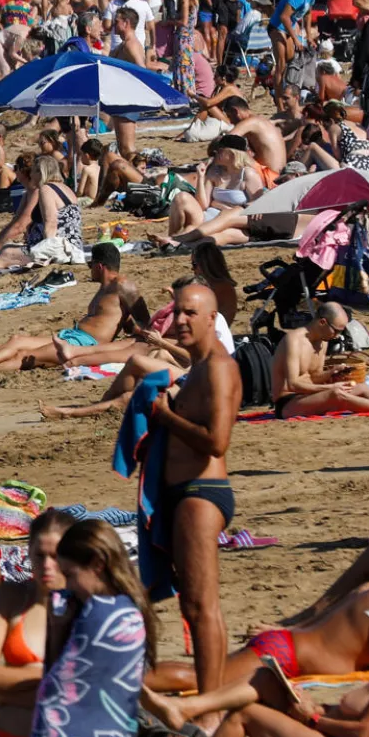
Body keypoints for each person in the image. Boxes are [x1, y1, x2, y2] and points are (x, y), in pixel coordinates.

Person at [144, 596, 369, 737]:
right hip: (334, 735)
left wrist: (313, 717)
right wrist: (316, 708)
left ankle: (184, 710)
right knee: (266, 679)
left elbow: (365, 733)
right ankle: (184, 707)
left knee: (244, 714)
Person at [152, 280, 240, 703]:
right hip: (184, 493)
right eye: (177, 311)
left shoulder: (220, 368)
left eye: (190, 313)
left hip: (202, 492)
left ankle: (210, 706)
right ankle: (213, 696)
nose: (180, 320)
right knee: (192, 606)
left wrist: (167, 417)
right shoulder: (198, 367)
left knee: (203, 607)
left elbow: (217, 441)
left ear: (211, 320)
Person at [31, 520, 151, 737]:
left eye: (71, 575)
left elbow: (55, 686)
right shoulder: (129, 609)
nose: (69, 585)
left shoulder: (101, 614)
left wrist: (58, 629)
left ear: (97, 564)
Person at [0, 242, 147, 375]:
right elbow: (123, 320)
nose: (89, 269)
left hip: (86, 344)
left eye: (90, 265)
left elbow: (145, 322)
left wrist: (128, 344)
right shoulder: (106, 288)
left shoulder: (123, 285)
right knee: (18, 340)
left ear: (99, 266)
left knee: (25, 356)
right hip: (72, 335)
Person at [0, 509, 75, 737]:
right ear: (28, 553)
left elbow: (91, 686)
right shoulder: (12, 597)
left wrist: (7, 693)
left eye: (57, 555)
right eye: (40, 555)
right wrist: (52, 678)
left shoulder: (88, 603)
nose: (47, 565)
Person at [270, 303, 369, 418]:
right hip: (288, 403)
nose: (337, 336)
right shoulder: (293, 341)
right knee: (336, 393)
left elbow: (314, 377)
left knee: (361, 387)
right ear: (322, 322)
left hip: (308, 396)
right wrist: (331, 387)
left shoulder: (322, 341)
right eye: (336, 331)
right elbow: (292, 384)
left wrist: (332, 372)